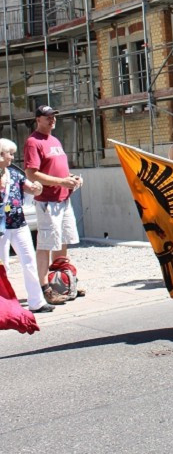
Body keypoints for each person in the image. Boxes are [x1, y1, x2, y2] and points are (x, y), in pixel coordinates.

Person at [23, 105, 84, 303]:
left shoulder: (55, 140)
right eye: (47, 117)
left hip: (63, 198)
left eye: (54, 117)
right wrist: (61, 182)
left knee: (62, 241)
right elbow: (31, 173)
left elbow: (59, 170)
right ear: (38, 119)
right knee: (46, 244)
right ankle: (45, 287)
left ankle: (62, 281)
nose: (52, 120)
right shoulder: (33, 142)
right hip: (48, 201)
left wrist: (72, 179)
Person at [0, 138, 53, 314]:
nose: (12, 158)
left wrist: (37, 188)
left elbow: (29, 187)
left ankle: (37, 302)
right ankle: (4, 306)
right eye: (10, 154)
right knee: (3, 266)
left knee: (29, 260)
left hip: (19, 224)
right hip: (1, 228)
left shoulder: (13, 173)